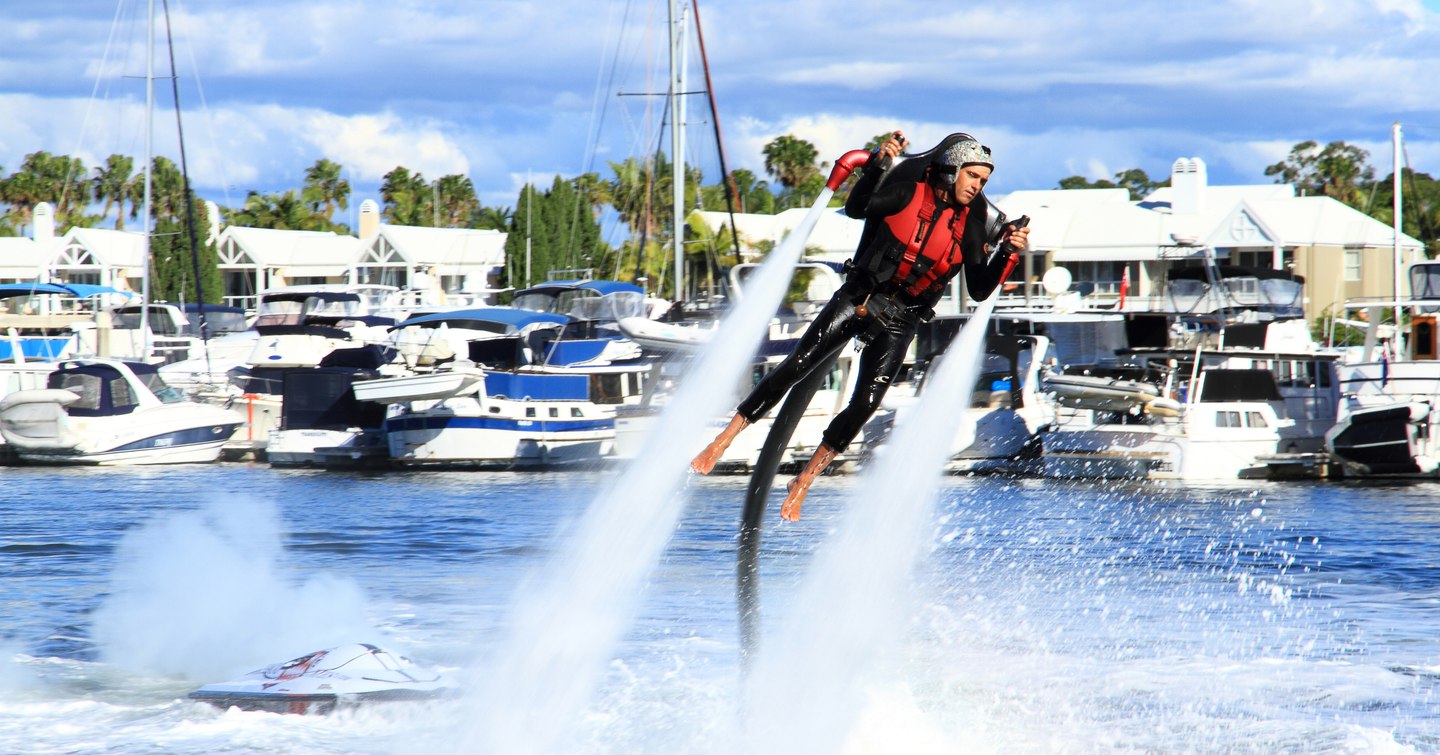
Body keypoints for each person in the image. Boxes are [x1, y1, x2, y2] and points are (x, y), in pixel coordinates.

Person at [690, 130, 1031, 520]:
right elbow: (858, 206)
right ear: (952, 170)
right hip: (861, 298)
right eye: (973, 177)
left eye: (984, 182)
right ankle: (724, 439)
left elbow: (980, 288)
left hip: (903, 319)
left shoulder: (971, 223)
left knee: (866, 404)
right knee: (797, 365)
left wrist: (1006, 254)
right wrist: (877, 167)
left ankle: (803, 481)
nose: (978, 187)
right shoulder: (908, 192)